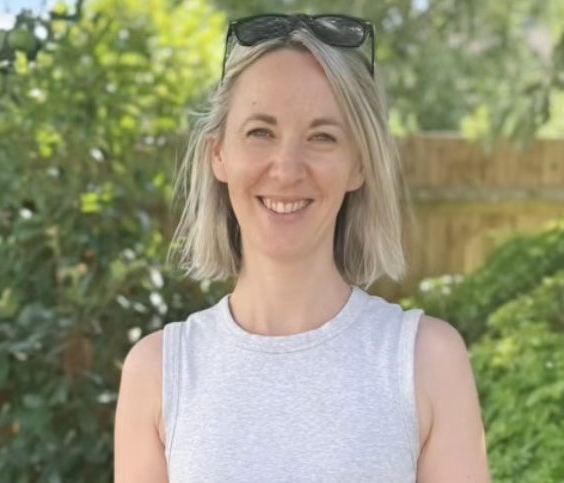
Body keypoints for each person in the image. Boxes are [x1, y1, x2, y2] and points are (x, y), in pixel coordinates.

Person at [114, 13, 490, 482]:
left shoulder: (427, 361)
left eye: (322, 137)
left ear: (358, 166)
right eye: (260, 132)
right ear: (219, 155)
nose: (287, 169)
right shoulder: (158, 372)